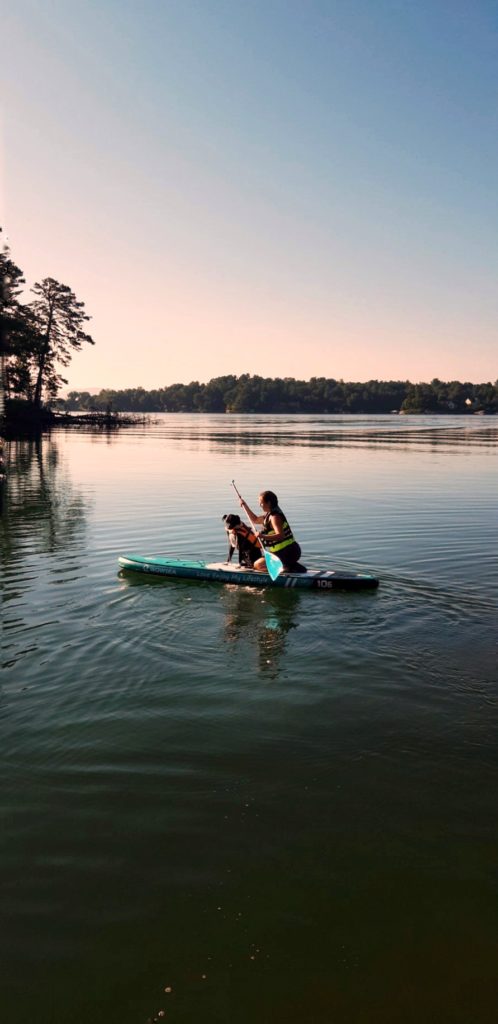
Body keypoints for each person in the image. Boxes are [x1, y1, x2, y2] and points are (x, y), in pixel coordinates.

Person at [237, 490, 306, 573]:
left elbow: (280, 536)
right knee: (260, 563)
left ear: (268, 503)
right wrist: (244, 505)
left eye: (261, 503)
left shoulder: (274, 517)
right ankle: (289, 566)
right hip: (286, 552)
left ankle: (284, 569)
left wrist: (262, 536)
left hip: (287, 552)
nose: (260, 505)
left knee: (257, 565)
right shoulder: (269, 514)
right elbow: (255, 519)